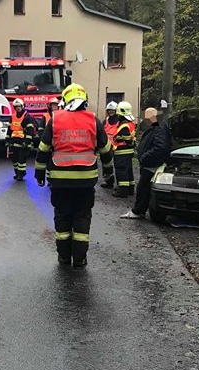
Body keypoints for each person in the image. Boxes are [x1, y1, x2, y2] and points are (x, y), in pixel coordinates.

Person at [35, 83, 114, 267]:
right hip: (85, 181)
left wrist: (39, 173)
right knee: (82, 219)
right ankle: (79, 259)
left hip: (60, 181)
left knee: (62, 218)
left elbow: (43, 149)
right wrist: (109, 172)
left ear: (65, 100)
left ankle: (63, 257)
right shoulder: (93, 120)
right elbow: (106, 150)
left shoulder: (55, 119)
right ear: (84, 101)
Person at [121, 107, 171, 219]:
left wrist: (145, 157)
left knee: (143, 188)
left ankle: (138, 211)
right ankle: (140, 210)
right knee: (144, 188)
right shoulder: (156, 127)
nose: (145, 119)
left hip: (152, 164)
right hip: (150, 163)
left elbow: (160, 147)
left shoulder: (158, 128)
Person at [111, 101, 137, 197]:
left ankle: (122, 190)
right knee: (128, 170)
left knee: (121, 170)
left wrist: (119, 138)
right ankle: (130, 188)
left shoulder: (124, 125)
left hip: (122, 152)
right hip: (128, 152)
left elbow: (126, 138)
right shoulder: (130, 123)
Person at [7, 98, 36, 181]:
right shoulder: (12, 117)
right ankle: (17, 173)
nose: (17, 108)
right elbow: (9, 129)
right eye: (16, 107)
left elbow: (30, 131)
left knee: (21, 159)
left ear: (22, 106)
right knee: (14, 159)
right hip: (14, 142)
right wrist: (7, 140)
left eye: (19, 106)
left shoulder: (27, 117)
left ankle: (21, 174)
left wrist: (27, 142)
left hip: (23, 142)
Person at [100, 102, 120, 188]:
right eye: (109, 110)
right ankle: (108, 181)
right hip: (107, 146)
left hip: (117, 146)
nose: (111, 112)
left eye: (113, 110)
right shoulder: (106, 121)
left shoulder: (119, 121)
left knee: (119, 166)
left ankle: (121, 184)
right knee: (106, 165)